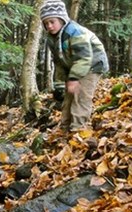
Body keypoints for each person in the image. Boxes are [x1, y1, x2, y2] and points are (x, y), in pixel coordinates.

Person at [40, 0, 108, 132]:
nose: (49, 26)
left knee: (81, 96)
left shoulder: (75, 32)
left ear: (62, 19)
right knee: (68, 97)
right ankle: (64, 128)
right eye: (46, 23)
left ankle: (78, 130)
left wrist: (73, 79)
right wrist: (61, 82)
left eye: (52, 22)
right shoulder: (51, 38)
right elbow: (59, 61)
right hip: (74, 66)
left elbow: (84, 58)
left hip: (93, 64)